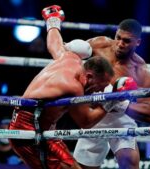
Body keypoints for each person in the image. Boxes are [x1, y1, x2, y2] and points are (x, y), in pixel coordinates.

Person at [9, 5, 115, 169]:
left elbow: (55, 44)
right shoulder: (73, 87)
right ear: (89, 76)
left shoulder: (68, 58)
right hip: (28, 131)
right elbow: (85, 121)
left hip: (44, 129)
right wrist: (111, 101)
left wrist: (53, 21)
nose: (99, 92)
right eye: (100, 87)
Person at [73, 19, 150, 169]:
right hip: (94, 117)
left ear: (137, 42)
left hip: (121, 119)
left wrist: (119, 103)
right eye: (118, 38)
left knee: (130, 164)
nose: (119, 44)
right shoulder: (99, 44)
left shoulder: (142, 72)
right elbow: (68, 58)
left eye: (126, 41)